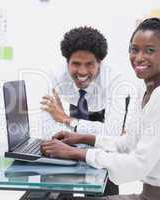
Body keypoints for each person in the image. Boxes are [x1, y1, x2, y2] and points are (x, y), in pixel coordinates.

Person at [41, 18, 160, 200]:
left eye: (150, 51)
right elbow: (125, 144)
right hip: (148, 195)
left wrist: (76, 152)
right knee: (48, 196)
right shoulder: (145, 92)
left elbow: (137, 163)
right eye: (134, 50)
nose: (139, 57)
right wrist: (80, 138)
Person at [40, 26, 122, 195]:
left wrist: (67, 120)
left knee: (105, 167)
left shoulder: (115, 81)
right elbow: (46, 129)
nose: (82, 72)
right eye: (76, 64)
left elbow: (112, 133)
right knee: (58, 158)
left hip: (102, 112)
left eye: (90, 64)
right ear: (67, 62)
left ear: (100, 63)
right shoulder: (54, 75)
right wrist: (69, 146)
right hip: (76, 105)